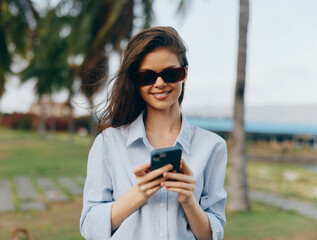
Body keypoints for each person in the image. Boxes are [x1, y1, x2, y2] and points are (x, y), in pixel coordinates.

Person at [80, 26, 227, 240]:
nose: (160, 83)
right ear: (135, 81)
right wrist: (139, 193)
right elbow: (90, 226)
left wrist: (188, 200)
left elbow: (211, 235)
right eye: (147, 76)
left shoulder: (212, 146)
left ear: (184, 73)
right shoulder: (108, 142)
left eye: (170, 73)